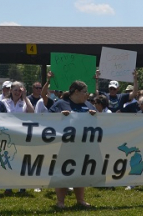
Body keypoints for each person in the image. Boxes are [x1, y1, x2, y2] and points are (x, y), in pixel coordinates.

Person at [49, 80, 96, 209]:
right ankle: (60, 201)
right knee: (62, 172)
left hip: (83, 145)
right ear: (76, 92)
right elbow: (47, 120)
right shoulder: (60, 104)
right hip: (64, 145)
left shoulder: (89, 105)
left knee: (80, 171)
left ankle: (80, 200)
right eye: (85, 92)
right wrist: (59, 116)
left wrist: (94, 116)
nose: (87, 95)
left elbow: (99, 122)